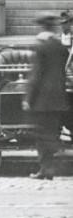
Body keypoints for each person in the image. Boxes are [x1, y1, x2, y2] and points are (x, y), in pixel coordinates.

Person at [23, 14, 68, 180]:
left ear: (42, 27)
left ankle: (45, 169)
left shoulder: (40, 47)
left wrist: (28, 98)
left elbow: (36, 75)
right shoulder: (60, 47)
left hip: (42, 100)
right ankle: (49, 168)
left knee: (42, 136)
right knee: (52, 134)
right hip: (58, 98)